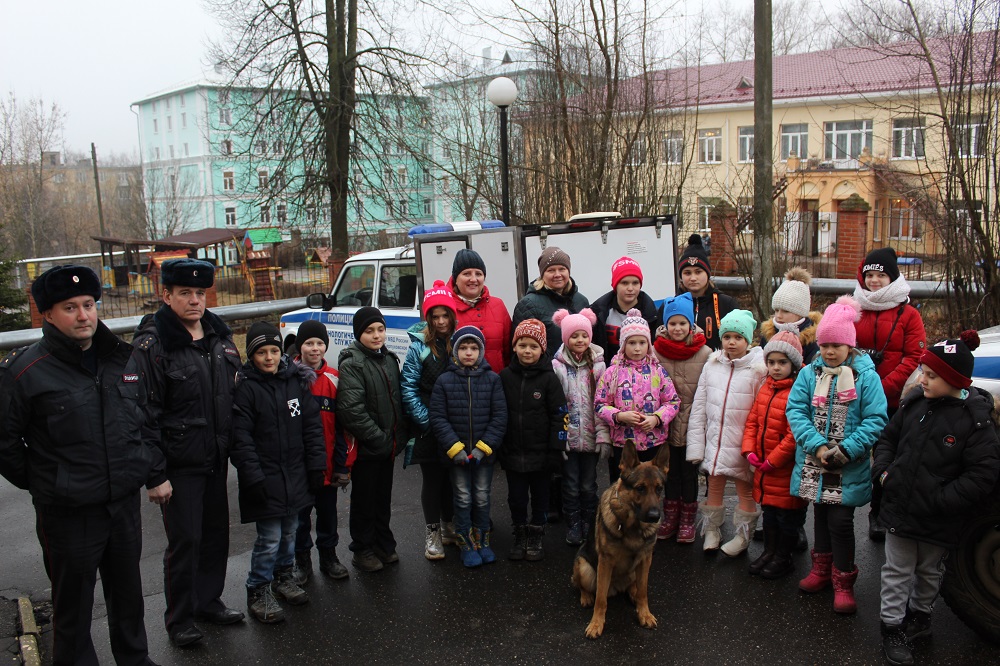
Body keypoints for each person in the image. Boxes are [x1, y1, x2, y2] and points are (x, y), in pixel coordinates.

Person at [0, 264, 170, 665]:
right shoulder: (25, 372)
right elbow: (5, 443)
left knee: (128, 594)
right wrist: (49, 482)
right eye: (70, 307)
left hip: (122, 505)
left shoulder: (122, 360)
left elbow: (143, 420)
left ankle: (135, 658)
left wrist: (148, 470)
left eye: (89, 304)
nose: (83, 315)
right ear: (48, 314)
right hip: (68, 512)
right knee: (73, 606)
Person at [132, 258, 245, 647]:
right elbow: (142, 412)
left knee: (215, 536)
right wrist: (155, 475)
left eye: (200, 293)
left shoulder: (219, 338)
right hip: (178, 466)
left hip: (215, 459)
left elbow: (234, 398)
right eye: (185, 293)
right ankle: (179, 619)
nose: (195, 300)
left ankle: (207, 601)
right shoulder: (154, 344)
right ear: (166, 295)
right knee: (185, 543)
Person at [873, 331, 1000, 666]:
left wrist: (945, 500)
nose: (922, 380)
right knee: (897, 571)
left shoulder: (975, 421)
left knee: (930, 571)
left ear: (953, 379)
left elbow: (982, 474)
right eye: (923, 372)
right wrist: (884, 473)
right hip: (901, 509)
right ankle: (892, 626)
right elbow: (888, 439)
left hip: (940, 516)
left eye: (930, 375)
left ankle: (920, 618)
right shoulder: (915, 405)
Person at [787, 296, 888, 615]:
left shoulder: (866, 378)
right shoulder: (809, 374)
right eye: (825, 345)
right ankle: (821, 569)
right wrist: (815, 444)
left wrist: (847, 449)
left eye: (836, 345)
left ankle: (843, 580)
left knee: (842, 521)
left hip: (848, 464)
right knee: (820, 514)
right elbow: (796, 410)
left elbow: (876, 418)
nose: (829, 351)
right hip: (815, 461)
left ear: (850, 345)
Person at [230, 323, 327, 624]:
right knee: (269, 538)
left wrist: (316, 465)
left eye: (274, 350)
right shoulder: (246, 389)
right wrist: (253, 476)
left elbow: (311, 427)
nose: (269, 357)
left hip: (295, 474)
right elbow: (241, 439)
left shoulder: (294, 383)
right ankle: (258, 588)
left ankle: (284, 576)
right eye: (262, 352)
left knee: (291, 531)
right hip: (266, 479)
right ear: (252, 355)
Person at [853, 247, 926, 541]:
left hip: (894, 402)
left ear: (891, 278)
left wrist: (879, 391)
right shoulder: (852, 308)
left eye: (880, 275)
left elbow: (913, 358)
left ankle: (880, 512)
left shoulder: (908, 315)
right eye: (869, 275)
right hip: (854, 397)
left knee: (888, 458)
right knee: (853, 453)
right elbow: (841, 349)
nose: (873, 281)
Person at [686, 309, 767, 556]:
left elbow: (761, 413)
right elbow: (699, 406)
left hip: (743, 445)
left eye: (738, 337)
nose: (731, 342)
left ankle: (743, 535)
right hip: (715, 443)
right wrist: (696, 446)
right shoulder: (712, 366)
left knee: (744, 489)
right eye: (727, 337)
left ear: (748, 341)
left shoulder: (757, 370)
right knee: (714, 486)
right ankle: (711, 529)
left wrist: (756, 449)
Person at [336, 307, 409, 572]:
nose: (376, 335)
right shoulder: (353, 363)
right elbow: (351, 410)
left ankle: (382, 543)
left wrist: (397, 436)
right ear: (359, 334)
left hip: (386, 446)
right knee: (364, 501)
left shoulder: (388, 358)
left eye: (380, 329)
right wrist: (379, 437)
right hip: (369, 448)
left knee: (382, 498)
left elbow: (397, 400)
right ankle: (362, 549)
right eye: (369, 331)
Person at [429, 326, 507, 568]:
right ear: (455, 351)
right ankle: (465, 544)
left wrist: (484, 448)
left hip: (483, 455)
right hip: (458, 456)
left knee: (482, 497)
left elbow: (500, 416)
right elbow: (438, 417)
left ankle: (482, 541)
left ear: (481, 351)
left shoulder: (493, 379)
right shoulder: (444, 381)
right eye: (463, 347)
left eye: (474, 348)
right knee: (462, 498)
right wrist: (456, 449)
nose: (469, 352)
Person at [499, 319, 568, 561]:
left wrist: (556, 449)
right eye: (522, 345)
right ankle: (519, 532)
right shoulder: (505, 377)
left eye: (534, 346)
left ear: (542, 350)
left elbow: (560, 415)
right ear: (514, 347)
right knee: (516, 498)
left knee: (540, 496)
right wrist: (501, 446)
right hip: (513, 452)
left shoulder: (549, 379)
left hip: (542, 454)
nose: (528, 351)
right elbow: (498, 413)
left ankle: (536, 532)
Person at [741, 331, 809, 578]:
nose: (776, 367)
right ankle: (769, 552)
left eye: (782, 362)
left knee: (787, 516)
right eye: (771, 362)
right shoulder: (765, 388)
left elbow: (795, 434)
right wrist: (749, 450)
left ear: (794, 364)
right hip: (764, 466)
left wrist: (774, 460)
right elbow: (753, 422)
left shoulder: (799, 392)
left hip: (784, 469)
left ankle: (784, 557)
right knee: (769, 513)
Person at [401, 281, 459, 560]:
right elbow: (408, 387)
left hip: (457, 424)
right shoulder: (419, 347)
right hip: (428, 426)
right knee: (433, 479)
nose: (440, 321)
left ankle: (449, 526)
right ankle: (432, 532)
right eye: (434, 316)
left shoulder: (461, 341)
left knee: (451, 478)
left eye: (445, 315)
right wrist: (427, 421)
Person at [292, 320, 352, 583]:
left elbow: (343, 428)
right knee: (300, 518)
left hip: (328, 465)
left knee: (328, 515)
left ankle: (329, 556)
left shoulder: (334, 379)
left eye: (319, 343)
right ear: (299, 347)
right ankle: (301, 562)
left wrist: (342, 465)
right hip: (299, 467)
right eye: (308, 343)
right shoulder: (289, 379)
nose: (314, 349)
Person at [595, 308, 680, 483]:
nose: (637, 348)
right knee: (622, 484)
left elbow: (672, 402)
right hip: (623, 443)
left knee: (649, 484)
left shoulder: (658, 372)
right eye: (631, 343)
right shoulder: (612, 373)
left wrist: (657, 418)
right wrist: (619, 416)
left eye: (642, 343)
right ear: (623, 345)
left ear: (648, 344)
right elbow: (599, 404)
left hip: (653, 442)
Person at [652, 293, 711, 543]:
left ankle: (687, 519)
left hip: (693, 424)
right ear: (665, 325)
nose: (677, 328)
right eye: (672, 323)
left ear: (690, 324)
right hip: (665, 423)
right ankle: (671, 516)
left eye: (682, 323)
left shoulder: (705, 352)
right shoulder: (655, 352)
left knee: (689, 474)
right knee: (669, 472)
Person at [551, 308, 610, 547]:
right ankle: (574, 523)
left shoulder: (598, 366)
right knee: (571, 484)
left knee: (589, 483)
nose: (580, 340)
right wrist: (559, 438)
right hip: (569, 438)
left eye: (584, 336)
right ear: (566, 338)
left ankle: (590, 521)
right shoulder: (557, 367)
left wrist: (603, 436)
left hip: (591, 436)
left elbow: (605, 402)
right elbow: (555, 405)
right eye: (574, 336)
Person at [512, 246, 589, 358]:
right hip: (548, 372)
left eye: (562, 269)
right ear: (542, 274)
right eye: (551, 270)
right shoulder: (528, 305)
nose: (557, 274)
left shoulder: (581, 301)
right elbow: (522, 348)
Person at [447, 249, 512, 372]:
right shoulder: (446, 308)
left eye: (478, 274)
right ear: (455, 278)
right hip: (460, 387)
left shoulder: (498, 305)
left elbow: (508, 351)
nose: (473, 279)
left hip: (496, 385)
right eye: (467, 274)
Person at [589, 256, 662, 365]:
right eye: (624, 283)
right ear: (615, 285)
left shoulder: (653, 314)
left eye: (635, 283)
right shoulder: (598, 312)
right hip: (608, 374)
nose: (630, 288)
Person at [673, 234, 738, 350]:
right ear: (681, 276)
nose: (693, 278)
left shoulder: (726, 304)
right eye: (687, 273)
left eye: (698, 272)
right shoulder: (671, 306)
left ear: (707, 274)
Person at [758, 267, 822, 364]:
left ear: (800, 312)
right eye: (776, 310)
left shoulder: (812, 341)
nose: (778, 316)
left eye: (786, 311)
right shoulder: (768, 335)